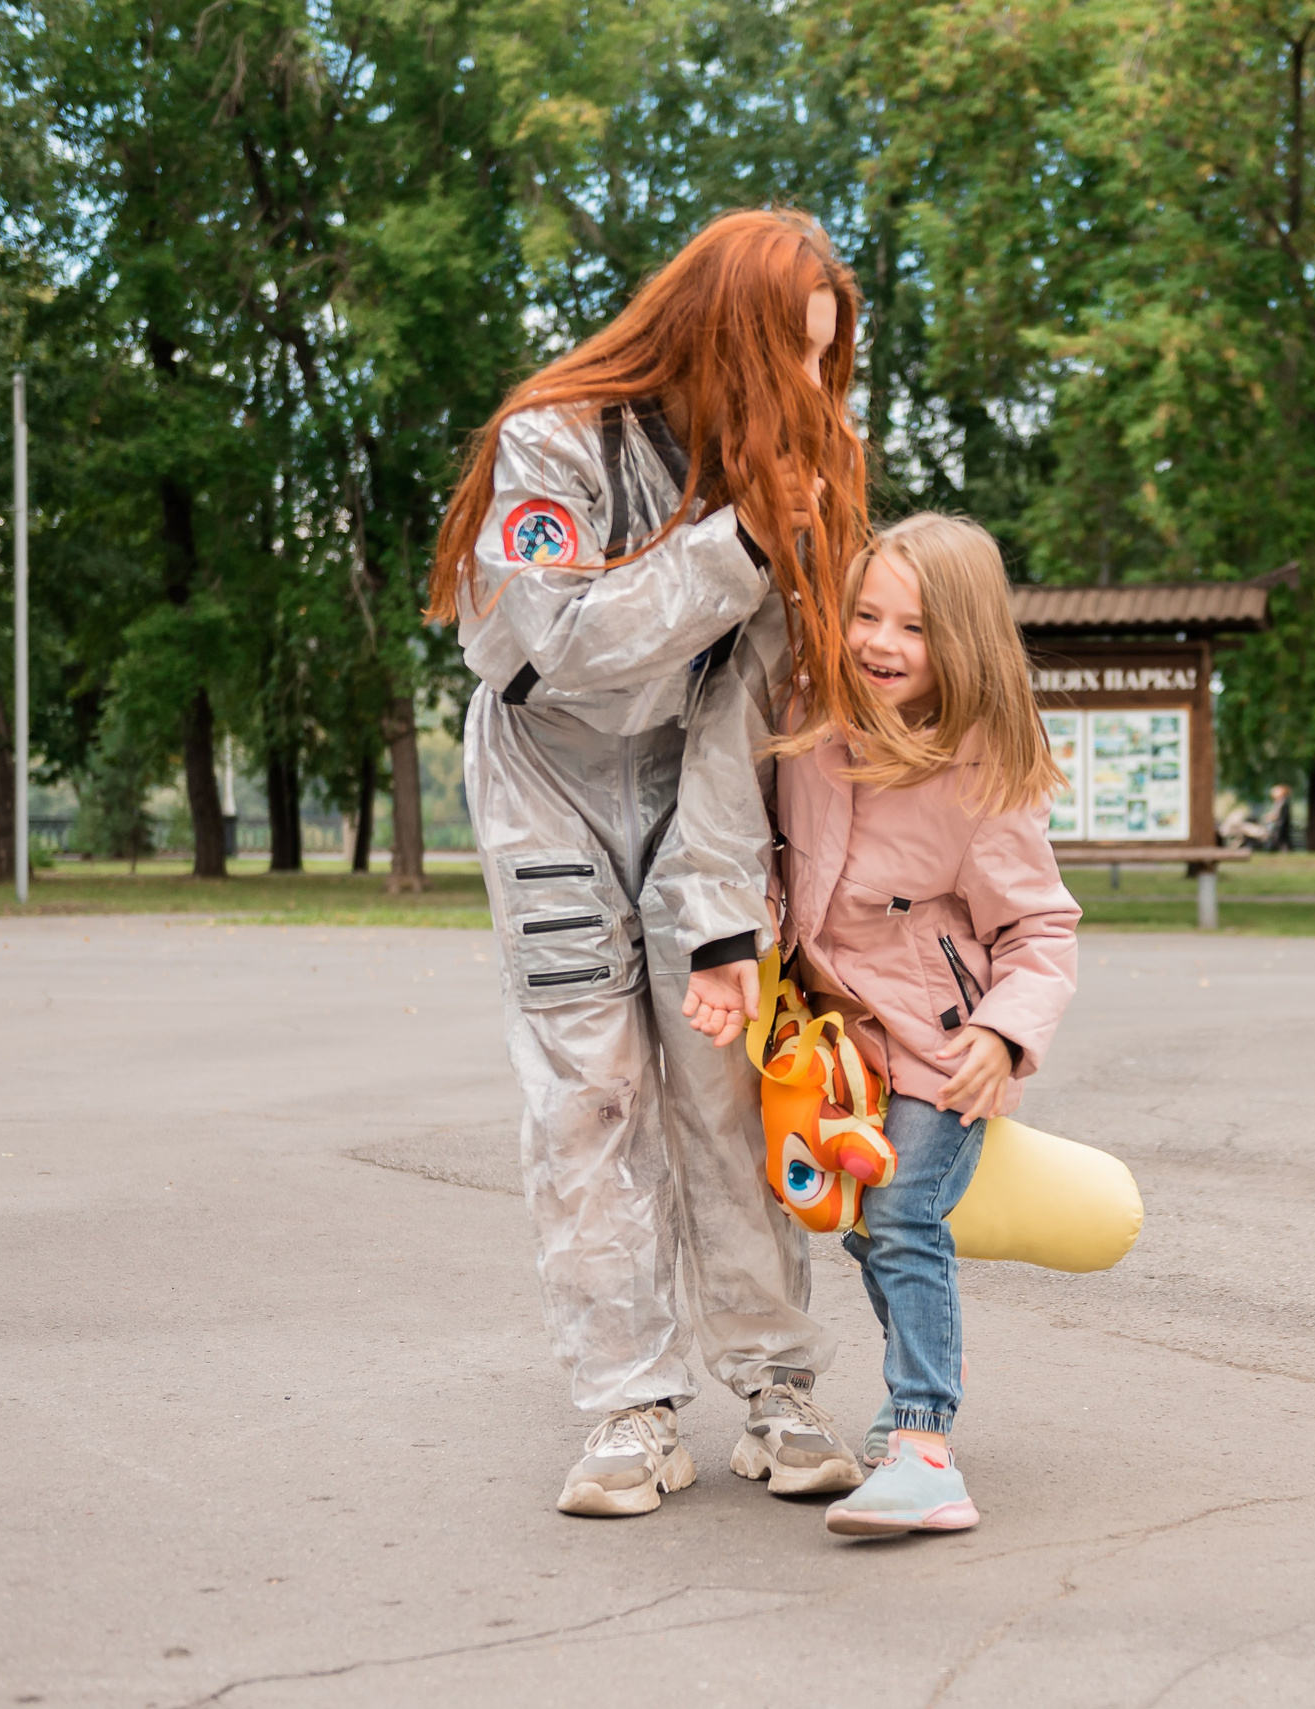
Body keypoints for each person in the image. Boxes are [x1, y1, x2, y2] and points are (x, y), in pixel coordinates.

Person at [426, 209, 873, 1518]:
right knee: (589, 1102)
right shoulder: (553, 443)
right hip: (547, 799)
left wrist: (726, 910)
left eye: (825, 359)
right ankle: (629, 1404)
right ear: (723, 328)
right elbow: (537, 650)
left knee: (728, 1093)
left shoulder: (784, 470)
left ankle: (778, 1387)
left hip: (701, 799)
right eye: (791, 352)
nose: (810, 383)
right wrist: (733, 547)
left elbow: (750, 709)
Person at [724, 512, 1079, 1537]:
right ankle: (906, 1406)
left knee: (904, 1217)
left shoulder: (980, 772)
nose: (879, 642)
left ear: (960, 642)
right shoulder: (812, 717)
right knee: (862, 1232)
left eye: (912, 627)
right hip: (839, 1047)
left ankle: (926, 1446)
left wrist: (1005, 1034)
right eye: (865, 614)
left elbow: (1041, 924)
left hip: (938, 1048)